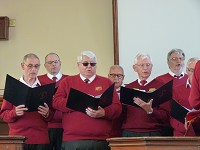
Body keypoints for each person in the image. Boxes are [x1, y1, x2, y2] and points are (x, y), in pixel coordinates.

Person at [52, 50, 122, 150]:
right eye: (85, 64)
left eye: (92, 64)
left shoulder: (107, 82)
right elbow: (56, 102)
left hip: (100, 140)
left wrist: (104, 113)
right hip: (73, 140)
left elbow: (117, 107)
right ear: (78, 65)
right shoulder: (67, 82)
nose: (89, 66)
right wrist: (76, 101)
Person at [0, 53, 53, 150]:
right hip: (18, 138)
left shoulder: (45, 87)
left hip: (40, 138)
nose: (33, 69)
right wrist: (14, 113)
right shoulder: (13, 87)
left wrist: (47, 114)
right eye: (30, 66)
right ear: (22, 66)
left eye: (36, 66)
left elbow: (51, 115)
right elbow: (3, 115)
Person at [121, 53, 169, 137]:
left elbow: (166, 116)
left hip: (153, 132)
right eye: (142, 65)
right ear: (135, 68)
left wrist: (151, 111)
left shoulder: (161, 87)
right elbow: (122, 114)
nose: (145, 68)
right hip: (130, 132)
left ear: (152, 66)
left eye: (148, 65)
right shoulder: (128, 87)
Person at [38, 53, 68, 150]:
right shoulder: (38, 80)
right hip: (44, 127)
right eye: (50, 62)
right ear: (45, 65)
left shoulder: (69, 80)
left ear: (60, 63)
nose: (53, 64)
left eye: (56, 62)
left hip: (65, 127)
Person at [156, 49, 188, 135]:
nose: (178, 61)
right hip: (165, 123)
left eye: (181, 59)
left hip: (186, 123)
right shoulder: (159, 80)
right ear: (168, 62)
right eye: (174, 59)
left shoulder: (191, 79)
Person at [171, 57, 199, 136]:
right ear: (187, 71)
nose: (196, 74)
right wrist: (186, 127)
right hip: (181, 135)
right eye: (193, 71)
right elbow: (172, 117)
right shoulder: (176, 90)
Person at [108, 65, 125, 137]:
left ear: (123, 77)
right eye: (113, 75)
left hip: (122, 129)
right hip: (106, 129)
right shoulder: (102, 91)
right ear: (108, 76)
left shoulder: (127, 92)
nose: (116, 78)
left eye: (119, 76)